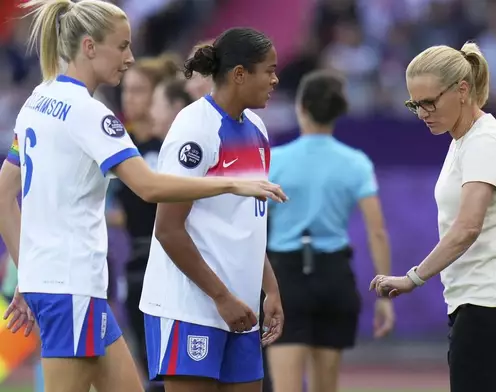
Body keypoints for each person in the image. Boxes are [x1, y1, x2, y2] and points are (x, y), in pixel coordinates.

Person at [0, 2, 287, 392]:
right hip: (73, 284)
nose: (130, 58)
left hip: (68, 284)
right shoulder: (91, 113)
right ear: (88, 47)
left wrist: (29, 272)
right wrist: (231, 183)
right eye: (122, 47)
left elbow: (4, 192)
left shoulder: (39, 97)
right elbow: (149, 187)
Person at [370, 42, 496, 392]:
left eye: (429, 102)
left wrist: (412, 278)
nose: (422, 113)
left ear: (463, 90)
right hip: (480, 300)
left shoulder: (486, 142)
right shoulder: (463, 140)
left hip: (492, 300)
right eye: (415, 104)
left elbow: (466, 228)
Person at [138, 27, 284, 392]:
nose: (275, 79)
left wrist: (270, 289)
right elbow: (168, 229)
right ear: (239, 75)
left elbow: (247, 221)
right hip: (190, 307)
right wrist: (221, 297)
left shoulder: (257, 128)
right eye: (268, 70)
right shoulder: (194, 128)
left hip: (241, 308)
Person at [267, 70, 395, 392]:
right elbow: (376, 230)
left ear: (302, 106)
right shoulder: (356, 163)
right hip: (334, 274)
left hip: (285, 277)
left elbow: (253, 224)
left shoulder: (274, 160)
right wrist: (385, 295)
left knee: (285, 387)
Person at [113, 54, 182, 389]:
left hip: (172, 262)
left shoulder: (172, 145)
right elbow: (122, 210)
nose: (129, 97)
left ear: (159, 96)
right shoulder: (119, 144)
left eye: (139, 90)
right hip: (137, 262)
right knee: (149, 369)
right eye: (126, 89)